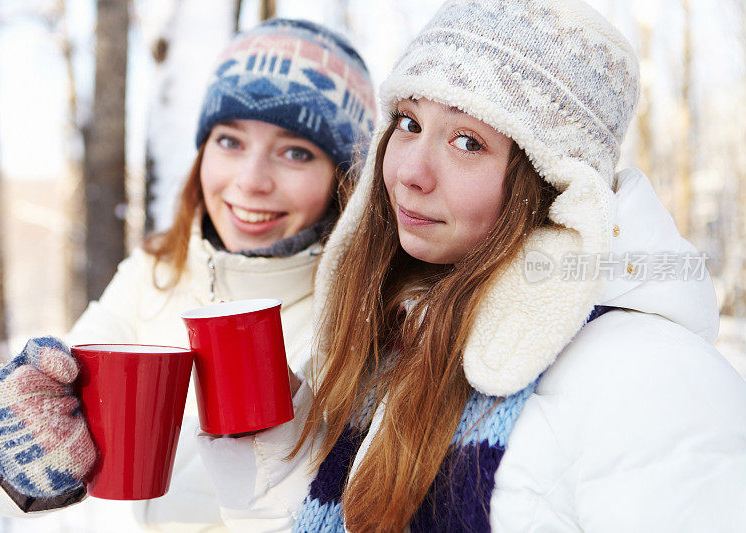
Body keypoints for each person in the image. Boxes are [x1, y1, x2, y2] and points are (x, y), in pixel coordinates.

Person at [194, 1, 746, 531]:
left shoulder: (654, 378)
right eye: (408, 122)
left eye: (467, 141)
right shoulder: (409, 332)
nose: (411, 170)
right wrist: (272, 441)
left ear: (555, 183)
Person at [0, 18, 376, 531]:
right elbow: (7, 489)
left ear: (346, 181)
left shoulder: (367, 318)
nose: (251, 181)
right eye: (230, 141)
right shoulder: (154, 272)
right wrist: (11, 455)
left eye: (296, 152)